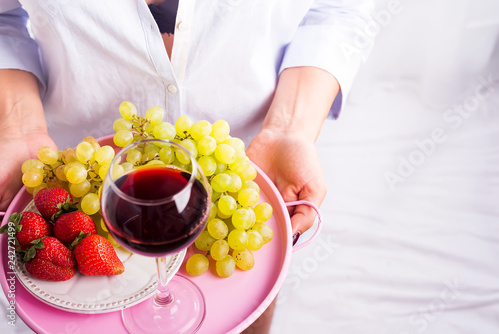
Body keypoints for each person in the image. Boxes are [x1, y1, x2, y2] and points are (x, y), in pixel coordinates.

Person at [0, 0, 374, 332]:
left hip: (242, 181)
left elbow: (337, 9)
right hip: (81, 189)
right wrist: (17, 127)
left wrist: (290, 129)